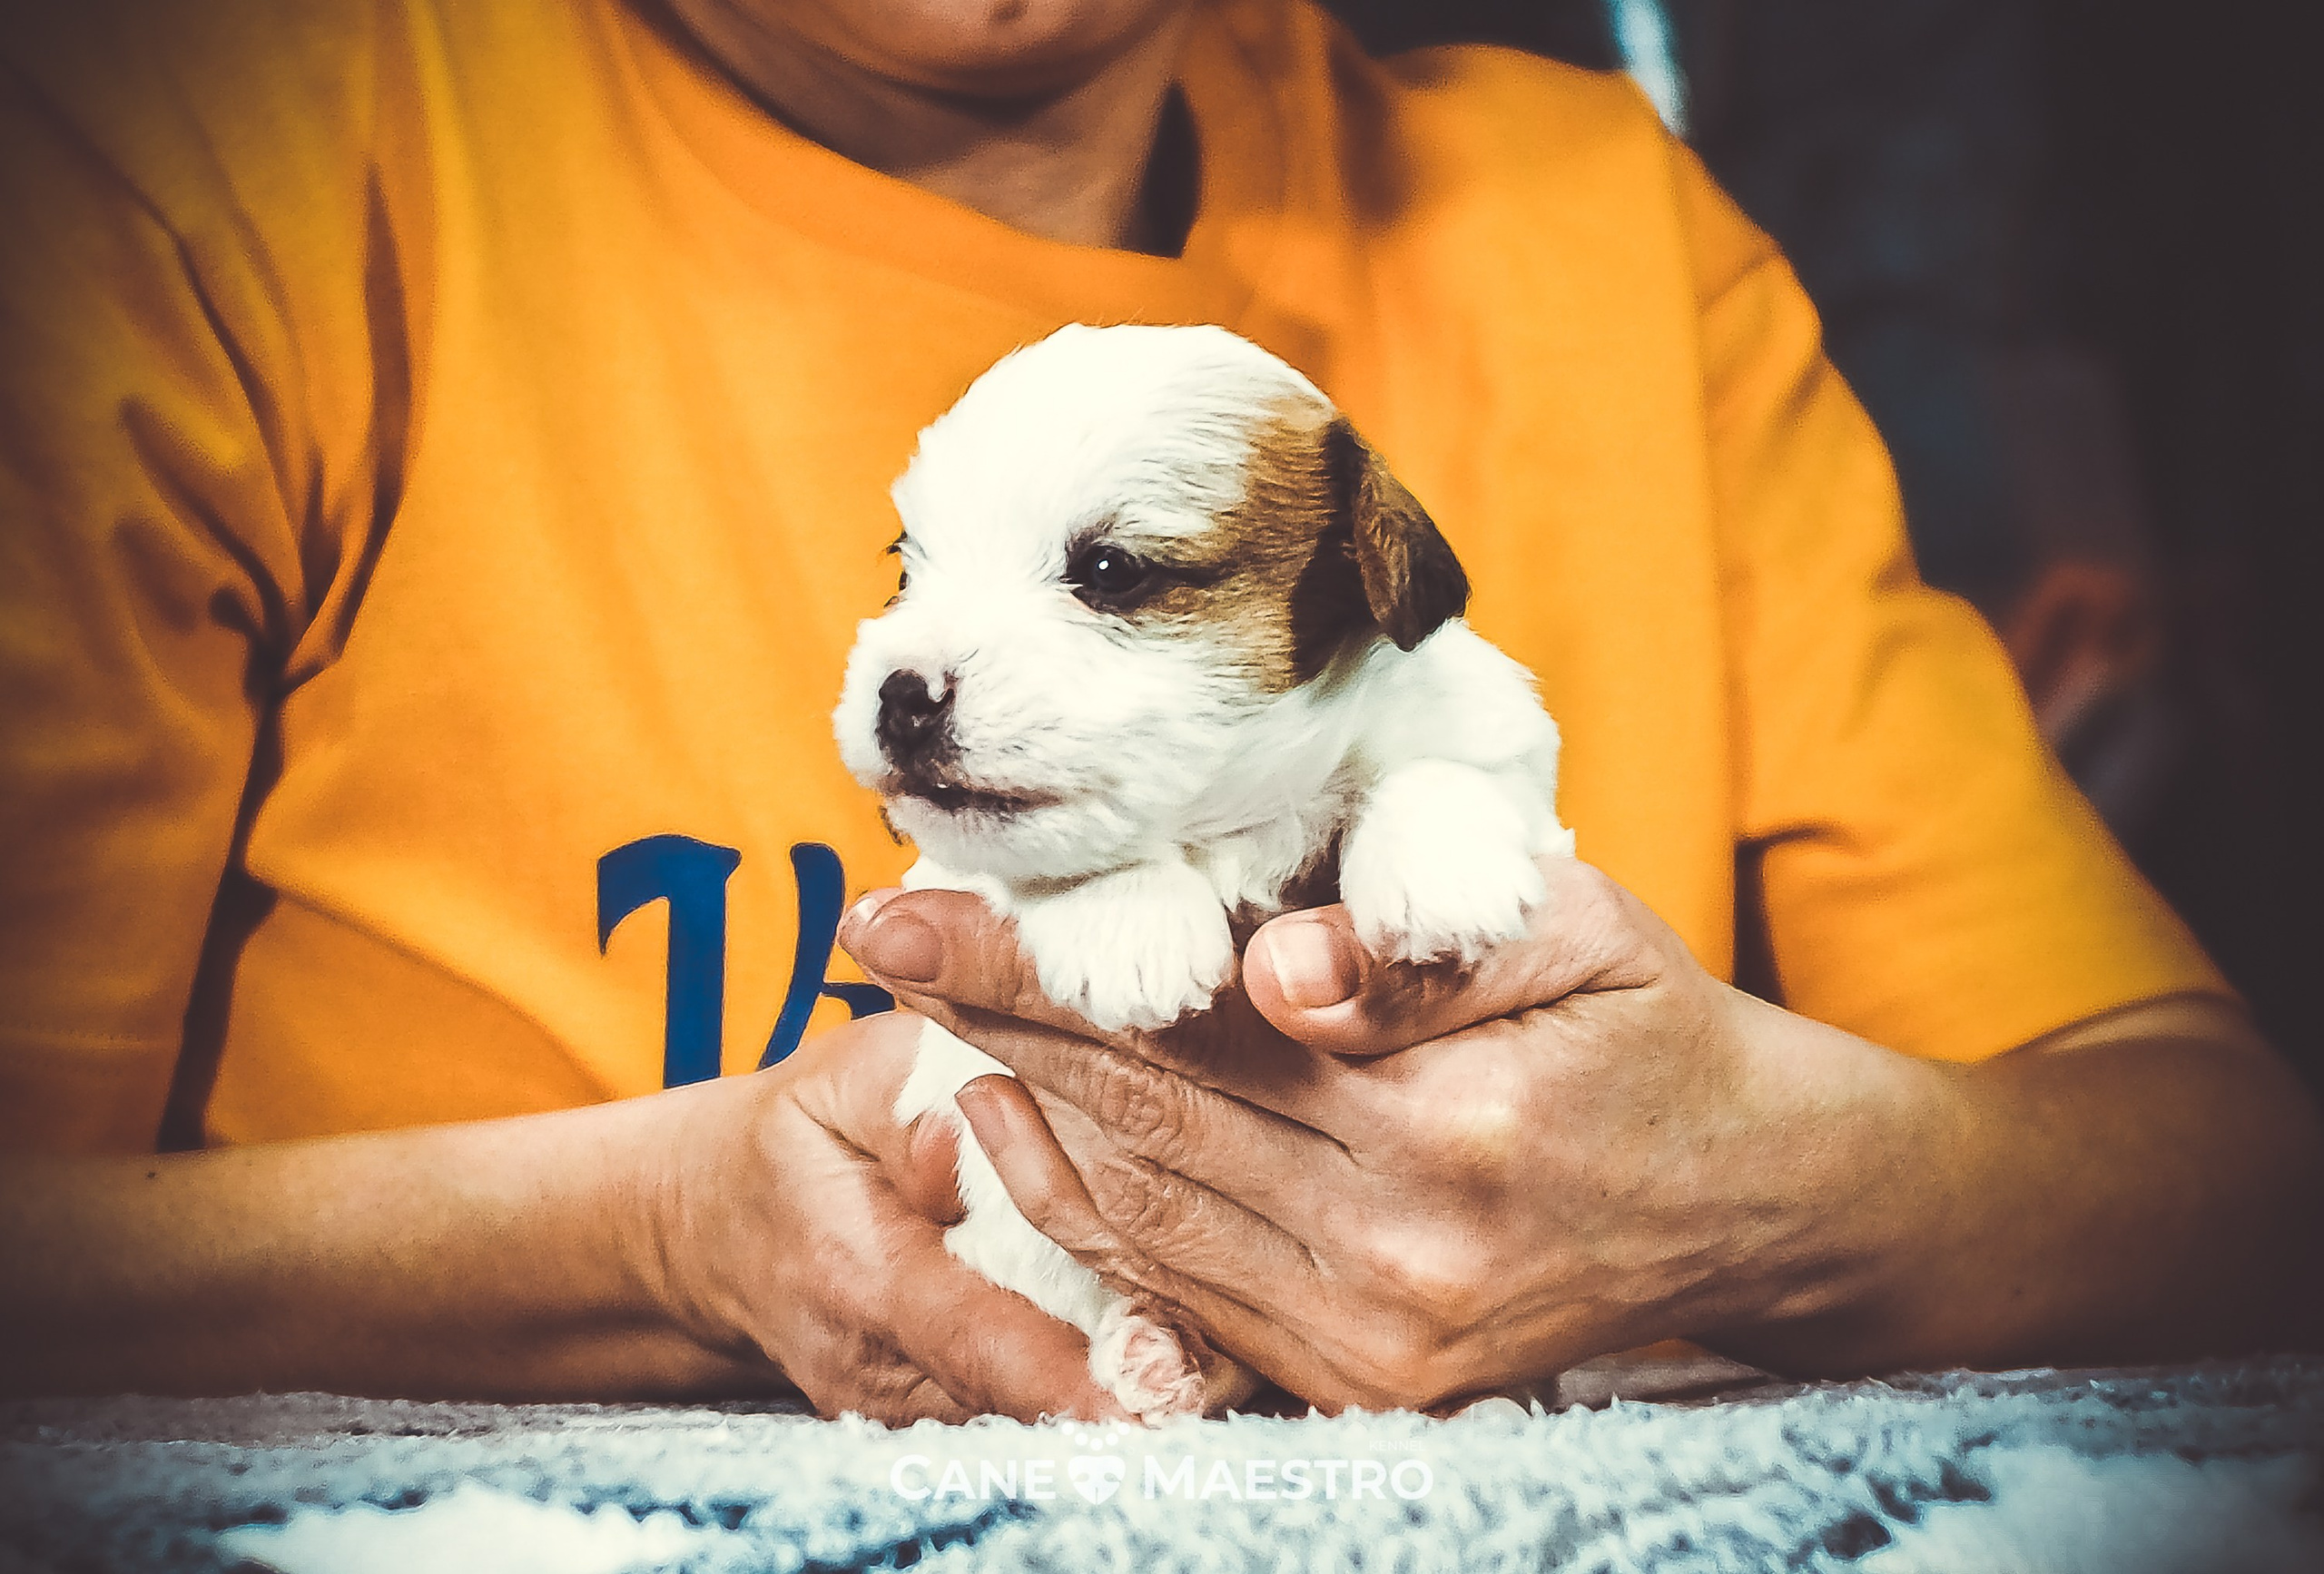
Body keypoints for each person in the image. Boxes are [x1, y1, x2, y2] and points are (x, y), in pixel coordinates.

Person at [1, 0, 2317, 1418]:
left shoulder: (1604, 233)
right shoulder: (206, 135)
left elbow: (2220, 1181)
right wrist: (666, 1229)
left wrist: (1764, 1193)